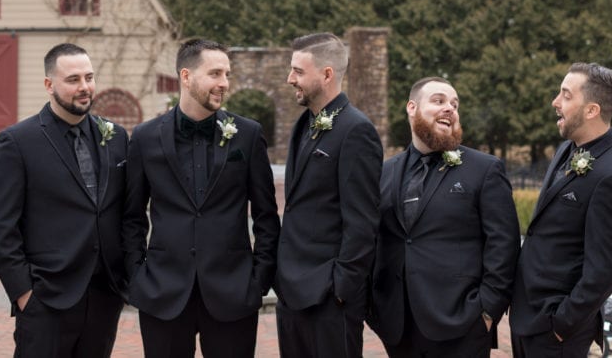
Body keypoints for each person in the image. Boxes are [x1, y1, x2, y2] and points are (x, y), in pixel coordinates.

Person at [123, 38, 280, 358]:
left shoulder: (247, 134)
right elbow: (131, 217)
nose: (224, 83)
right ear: (186, 76)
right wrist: (137, 277)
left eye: (227, 74)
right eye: (215, 73)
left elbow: (266, 215)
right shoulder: (144, 137)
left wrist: (258, 280)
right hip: (162, 293)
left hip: (234, 293)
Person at [0, 43, 128, 357]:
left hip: (105, 295)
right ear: (49, 85)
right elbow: (0, 225)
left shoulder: (116, 138)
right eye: (73, 79)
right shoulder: (18, 141)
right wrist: (23, 292)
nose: (85, 87)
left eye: (89, 78)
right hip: (45, 298)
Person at [368, 77, 521, 357]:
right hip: (397, 326)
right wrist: (373, 308)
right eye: (438, 101)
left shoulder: (485, 169)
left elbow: (504, 245)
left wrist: (486, 311)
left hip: (462, 323)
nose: (449, 108)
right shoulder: (384, 172)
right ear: (411, 108)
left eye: (454, 104)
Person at [510, 62, 612, 358]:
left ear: (592, 110)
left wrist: (561, 324)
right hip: (527, 316)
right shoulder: (568, 149)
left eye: (566, 95)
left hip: (555, 332)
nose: (556, 102)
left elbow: (605, 269)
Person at [274, 32, 383, 358]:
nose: (289, 78)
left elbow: (362, 222)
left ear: (326, 74)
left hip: (329, 300)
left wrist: (340, 290)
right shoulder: (302, 125)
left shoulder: (356, 130)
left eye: (298, 71)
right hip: (292, 294)